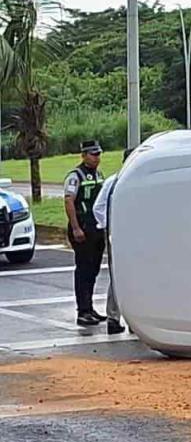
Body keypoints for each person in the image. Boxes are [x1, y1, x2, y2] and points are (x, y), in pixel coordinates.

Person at [64, 140, 106, 327]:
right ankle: (83, 310)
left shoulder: (98, 174)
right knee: (83, 270)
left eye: (98, 154)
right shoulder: (75, 176)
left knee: (93, 270)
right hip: (82, 227)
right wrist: (75, 227)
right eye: (93, 154)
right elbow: (69, 201)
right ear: (84, 155)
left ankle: (89, 308)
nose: (97, 158)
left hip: (96, 228)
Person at [93, 149, 133, 335]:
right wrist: (110, 228)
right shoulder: (114, 182)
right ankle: (113, 317)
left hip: (138, 235)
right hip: (117, 235)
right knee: (118, 276)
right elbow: (98, 207)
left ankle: (135, 320)